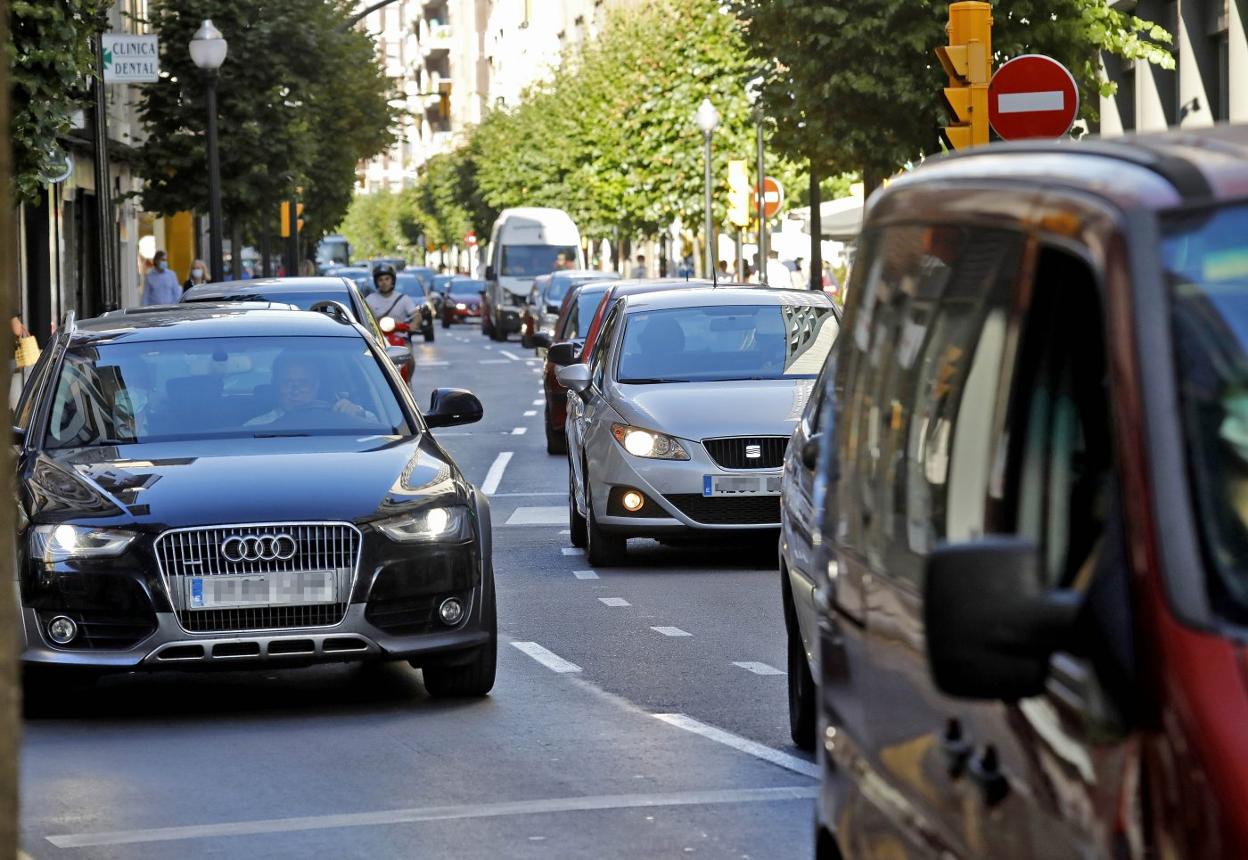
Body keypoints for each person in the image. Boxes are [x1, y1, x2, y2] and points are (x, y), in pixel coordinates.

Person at [246, 353, 375, 427]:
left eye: (304, 383)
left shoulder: (341, 416)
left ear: (317, 385)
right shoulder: (256, 428)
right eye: (287, 382)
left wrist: (359, 413)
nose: (295, 390)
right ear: (275, 385)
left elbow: (383, 431)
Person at [364, 263, 420, 329]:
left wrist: (413, 325)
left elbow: (416, 316)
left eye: (387, 279)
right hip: (378, 338)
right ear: (376, 282)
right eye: (380, 280)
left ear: (392, 281)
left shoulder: (404, 299)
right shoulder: (369, 300)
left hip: (401, 336)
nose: (384, 282)